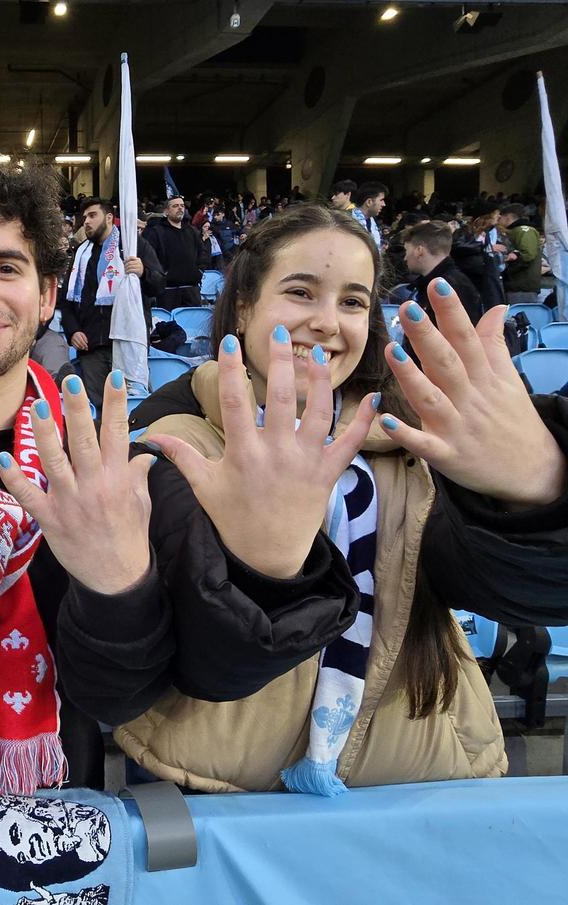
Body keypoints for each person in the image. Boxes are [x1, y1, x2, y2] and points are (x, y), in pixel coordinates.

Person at [0, 159, 356, 806]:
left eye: (6, 266)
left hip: (55, 846)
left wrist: (119, 590)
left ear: (47, 294)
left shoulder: (114, 469)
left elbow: (125, 695)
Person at [95, 204, 568, 794]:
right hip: (215, 784)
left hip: (416, 775)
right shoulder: (174, 439)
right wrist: (265, 565)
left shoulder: (414, 444)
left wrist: (535, 500)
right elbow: (185, 663)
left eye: (352, 302)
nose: (326, 322)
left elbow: (515, 593)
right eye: (300, 292)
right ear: (244, 306)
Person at [59, 197, 164, 407]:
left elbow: (159, 285)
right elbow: (66, 300)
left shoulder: (133, 246)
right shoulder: (80, 253)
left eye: (92, 215)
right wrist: (73, 331)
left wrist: (144, 273)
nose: (86, 221)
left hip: (126, 341)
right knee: (99, 408)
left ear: (109, 217)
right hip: (91, 346)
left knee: (132, 407)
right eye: (84, 217)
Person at [402, 220, 482, 325]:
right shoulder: (456, 282)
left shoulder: (447, 287)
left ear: (419, 251)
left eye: (407, 250)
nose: (405, 258)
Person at [142, 196, 205, 309]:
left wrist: (198, 271)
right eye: (175, 206)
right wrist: (162, 276)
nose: (180, 208)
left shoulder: (192, 231)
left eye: (182, 206)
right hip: (167, 292)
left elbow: (203, 253)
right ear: (166, 211)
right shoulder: (156, 232)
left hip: (191, 291)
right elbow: (150, 258)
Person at [498, 202, 542, 304]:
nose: (498, 220)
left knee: (521, 317)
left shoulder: (524, 231)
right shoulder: (515, 231)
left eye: (501, 217)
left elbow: (528, 254)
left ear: (508, 217)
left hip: (522, 285)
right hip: (515, 284)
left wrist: (513, 259)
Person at [351, 181, 387, 250]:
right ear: (369, 202)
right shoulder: (348, 222)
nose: (384, 204)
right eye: (381, 200)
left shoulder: (372, 221)